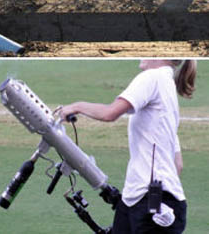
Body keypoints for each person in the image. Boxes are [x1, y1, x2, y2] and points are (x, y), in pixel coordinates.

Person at [58, 59, 195, 234]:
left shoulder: (152, 77)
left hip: (151, 204)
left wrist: (76, 106)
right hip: (138, 201)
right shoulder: (167, 87)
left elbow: (110, 113)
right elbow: (178, 165)